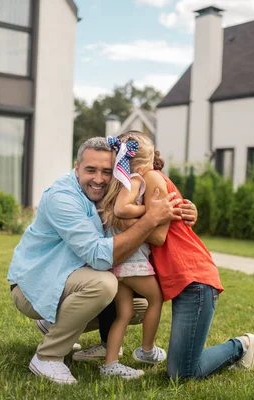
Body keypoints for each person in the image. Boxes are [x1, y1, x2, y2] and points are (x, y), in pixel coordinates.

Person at [7, 137, 196, 385]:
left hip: (66, 277)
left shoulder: (109, 190)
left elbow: (136, 210)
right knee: (105, 284)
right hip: (34, 286)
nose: (98, 179)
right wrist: (151, 218)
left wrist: (184, 210)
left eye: (106, 171)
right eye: (90, 170)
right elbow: (98, 256)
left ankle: (57, 324)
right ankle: (48, 356)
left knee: (136, 307)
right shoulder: (62, 198)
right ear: (76, 168)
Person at [75, 131, 254, 380]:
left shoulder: (150, 178)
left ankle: (242, 345)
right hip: (165, 274)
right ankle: (125, 351)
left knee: (182, 374)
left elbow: (159, 236)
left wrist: (121, 220)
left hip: (192, 279)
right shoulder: (130, 181)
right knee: (127, 307)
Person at [96, 134, 166, 379]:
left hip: (116, 261)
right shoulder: (135, 179)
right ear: (148, 163)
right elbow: (121, 209)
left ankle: (110, 364)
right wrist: (151, 210)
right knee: (155, 299)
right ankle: (147, 350)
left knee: (123, 313)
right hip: (132, 260)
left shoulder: (117, 180)